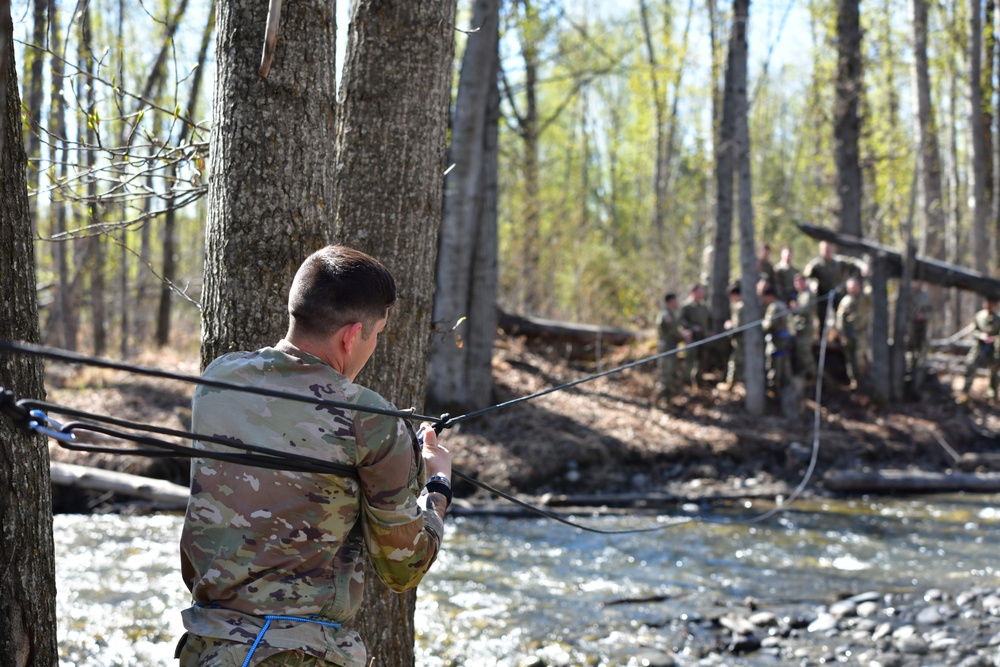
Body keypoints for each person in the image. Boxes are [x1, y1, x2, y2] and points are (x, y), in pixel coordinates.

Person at [176, 245, 452, 667]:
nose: (373, 345)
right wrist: (435, 484)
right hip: (300, 656)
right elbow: (403, 568)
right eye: (376, 335)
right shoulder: (370, 419)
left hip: (208, 650)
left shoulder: (219, 378)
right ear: (351, 335)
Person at [960, 296, 1000, 400]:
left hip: (993, 347)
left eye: (992, 303)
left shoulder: (998, 318)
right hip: (980, 345)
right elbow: (974, 331)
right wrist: (981, 336)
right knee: (970, 364)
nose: (989, 305)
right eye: (987, 303)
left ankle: (992, 394)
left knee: (994, 369)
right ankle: (965, 392)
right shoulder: (979, 316)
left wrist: (994, 339)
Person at [835, 276, 871, 389]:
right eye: (850, 287)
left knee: (859, 356)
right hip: (848, 334)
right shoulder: (845, 301)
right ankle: (854, 381)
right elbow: (839, 319)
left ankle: (863, 380)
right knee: (850, 359)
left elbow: (870, 290)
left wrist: (866, 277)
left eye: (854, 287)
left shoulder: (864, 298)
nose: (852, 289)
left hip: (860, 333)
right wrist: (841, 334)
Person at [655, 292, 690, 404]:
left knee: (672, 374)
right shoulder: (666, 315)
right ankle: (656, 402)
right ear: (671, 302)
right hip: (666, 348)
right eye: (675, 301)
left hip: (671, 347)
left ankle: (667, 401)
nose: (677, 304)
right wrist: (683, 336)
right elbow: (672, 331)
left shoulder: (671, 314)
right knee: (666, 375)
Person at [761, 287, 793, 392]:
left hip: (777, 339)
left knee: (774, 362)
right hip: (785, 338)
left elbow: (770, 324)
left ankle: (773, 386)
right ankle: (785, 383)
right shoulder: (782, 304)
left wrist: (762, 326)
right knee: (784, 361)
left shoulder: (774, 307)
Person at [679, 283, 711, 386]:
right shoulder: (686, 306)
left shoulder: (704, 306)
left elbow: (709, 321)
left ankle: (698, 382)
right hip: (692, 339)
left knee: (701, 361)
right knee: (690, 360)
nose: (702, 294)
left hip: (703, 338)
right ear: (693, 292)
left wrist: (709, 331)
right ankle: (686, 383)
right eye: (700, 292)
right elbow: (680, 321)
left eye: (702, 292)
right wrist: (692, 327)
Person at [789, 273, 816, 382]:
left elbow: (805, 310)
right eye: (796, 282)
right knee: (800, 353)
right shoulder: (801, 295)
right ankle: (806, 375)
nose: (798, 284)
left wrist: (794, 309)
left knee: (805, 353)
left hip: (806, 329)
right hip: (799, 329)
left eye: (800, 282)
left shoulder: (808, 295)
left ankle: (813, 376)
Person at [905, 279, 933, 382]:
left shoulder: (925, 296)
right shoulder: (908, 295)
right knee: (909, 351)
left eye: (920, 282)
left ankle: (918, 374)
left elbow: (929, 311)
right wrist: (913, 316)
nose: (918, 284)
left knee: (920, 351)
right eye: (916, 281)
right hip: (909, 328)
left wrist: (923, 316)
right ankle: (908, 371)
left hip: (921, 327)